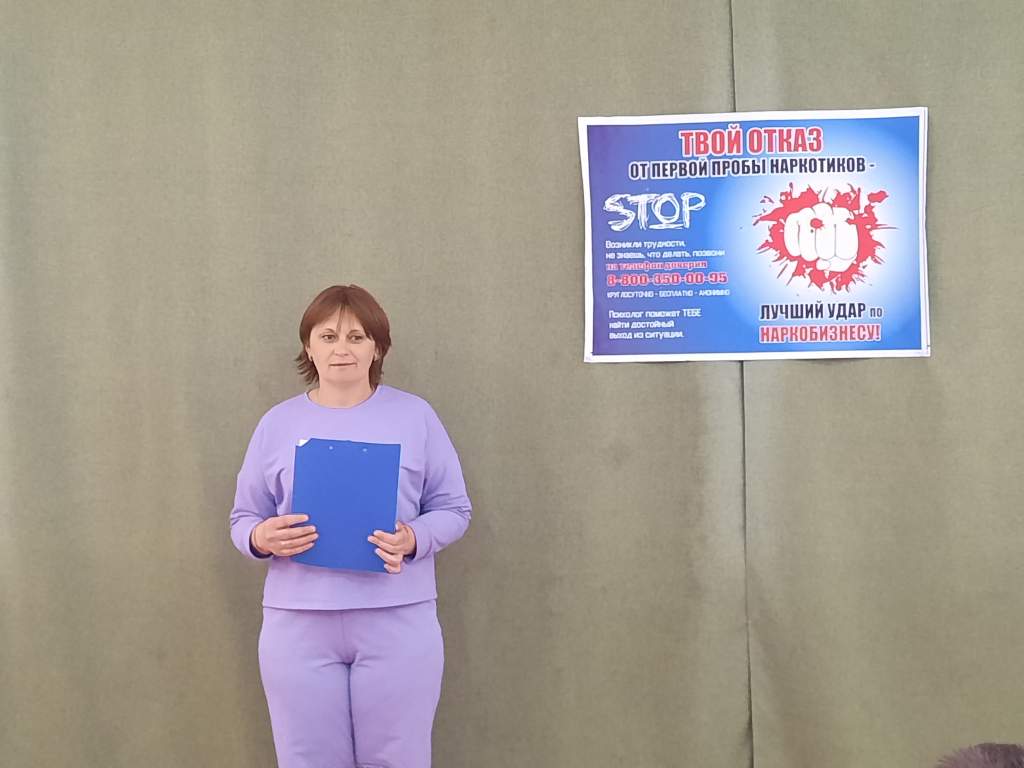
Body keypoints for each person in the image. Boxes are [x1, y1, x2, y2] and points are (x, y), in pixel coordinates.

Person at [229, 284, 472, 768]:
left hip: (398, 618)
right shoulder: (276, 424)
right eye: (328, 336)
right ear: (308, 347)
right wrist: (261, 537)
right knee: (307, 758)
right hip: (297, 623)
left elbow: (454, 508)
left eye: (357, 337)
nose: (342, 348)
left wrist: (415, 538)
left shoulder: (416, 416)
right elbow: (243, 519)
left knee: (399, 757)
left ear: (377, 348)